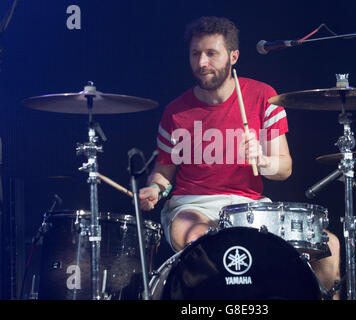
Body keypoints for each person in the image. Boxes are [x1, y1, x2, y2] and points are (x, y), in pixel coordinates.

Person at [139, 16, 340, 299]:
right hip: (192, 205)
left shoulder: (262, 97)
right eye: (195, 54)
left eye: (211, 53)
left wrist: (263, 159)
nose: (202, 63)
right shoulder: (176, 112)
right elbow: (164, 172)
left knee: (328, 246)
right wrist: (155, 189)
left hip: (250, 208)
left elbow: (284, 169)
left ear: (233, 56)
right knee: (201, 239)